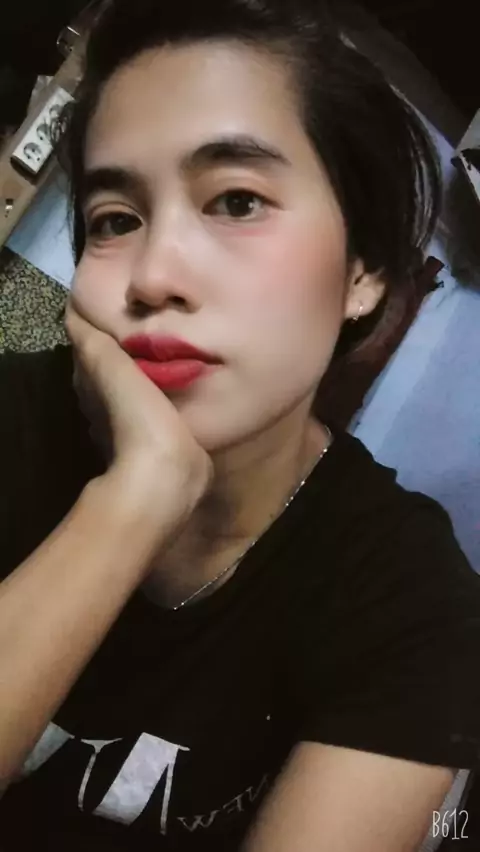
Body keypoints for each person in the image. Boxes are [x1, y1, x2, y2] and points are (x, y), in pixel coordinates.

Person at [1, 1, 480, 850]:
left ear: (363, 272)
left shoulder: (411, 601)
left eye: (235, 200)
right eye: (114, 220)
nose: (153, 274)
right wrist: (137, 497)